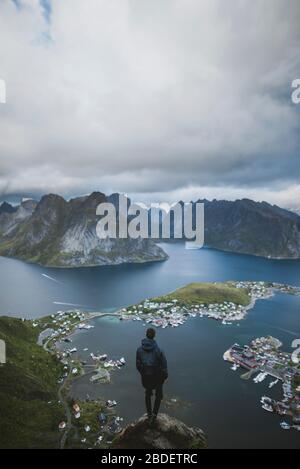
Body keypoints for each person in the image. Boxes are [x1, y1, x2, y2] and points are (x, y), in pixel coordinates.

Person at [136, 327, 168, 423]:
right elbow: (164, 365)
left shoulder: (139, 350)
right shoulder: (159, 350)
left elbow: (138, 365)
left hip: (146, 377)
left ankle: (149, 414)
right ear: (154, 336)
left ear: (146, 335)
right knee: (159, 395)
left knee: (148, 394)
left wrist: (144, 372)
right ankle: (154, 415)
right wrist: (164, 376)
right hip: (157, 377)